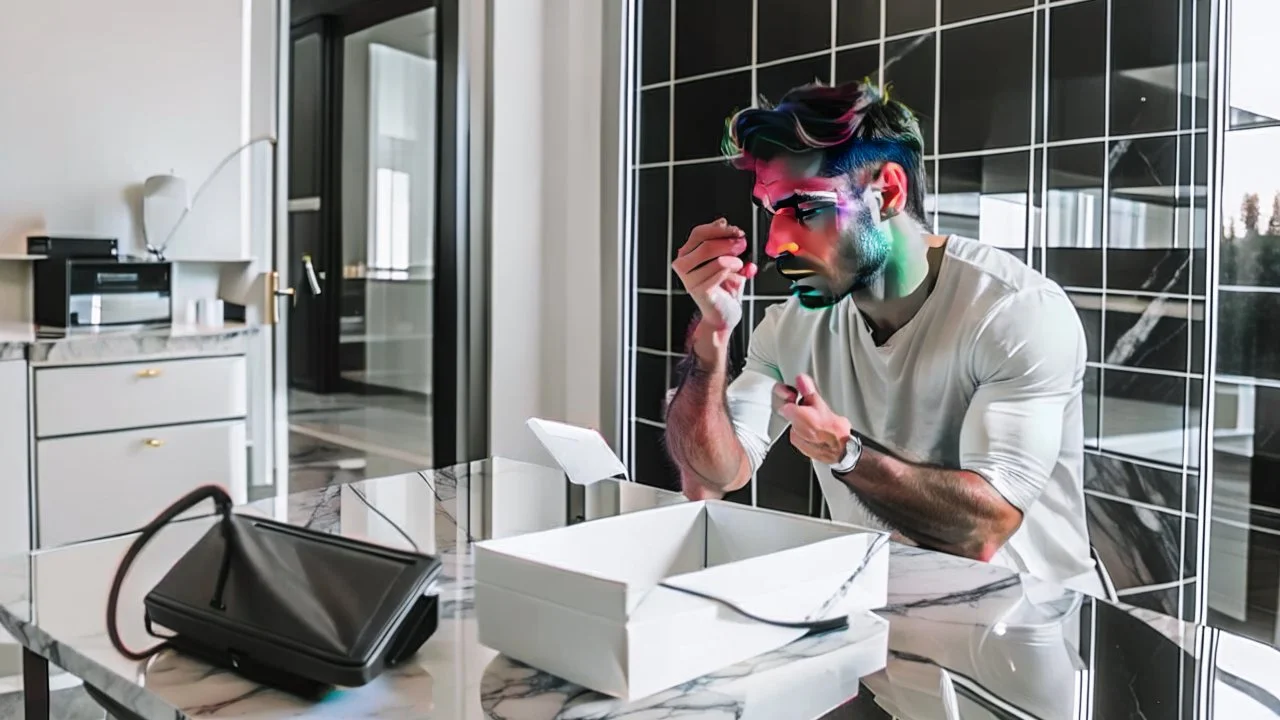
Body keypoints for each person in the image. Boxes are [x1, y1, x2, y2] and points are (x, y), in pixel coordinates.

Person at [663, 80, 1104, 596]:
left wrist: (847, 455)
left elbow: (982, 531)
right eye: (772, 213)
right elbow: (712, 473)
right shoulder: (793, 325)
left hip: (1032, 628)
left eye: (805, 210)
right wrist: (711, 338)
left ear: (888, 191)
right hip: (888, 621)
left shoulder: (1014, 312)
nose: (777, 242)